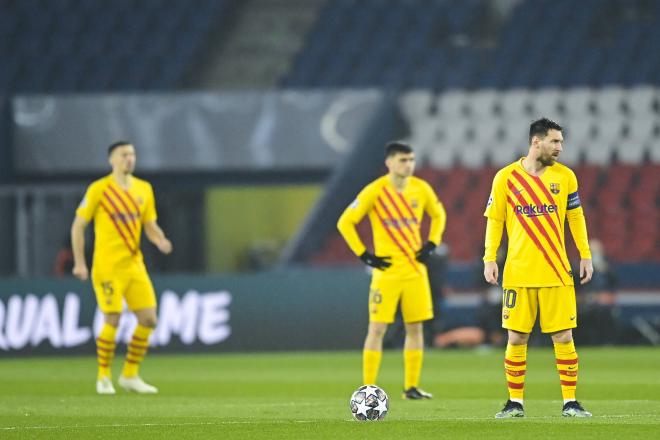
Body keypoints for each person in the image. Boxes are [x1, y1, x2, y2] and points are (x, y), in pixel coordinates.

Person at [483, 118, 593, 418]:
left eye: (561, 142)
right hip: (518, 273)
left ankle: (570, 402)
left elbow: (576, 217)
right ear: (536, 142)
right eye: (555, 141)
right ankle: (515, 402)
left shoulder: (566, 177)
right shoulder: (505, 177)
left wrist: (585, 254)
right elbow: (495, 220)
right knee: (516, 338)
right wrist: (489, 257)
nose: (560, 147)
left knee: (564, 337)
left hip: (557, 272)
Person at [337, 141, 446, 399]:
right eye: (403, 160)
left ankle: (411, 387)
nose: (409, 165)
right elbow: (345, 222)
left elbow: (439, 214)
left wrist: (432, 243)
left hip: (414, 271)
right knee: (376, 329)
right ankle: (368, 389)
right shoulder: (375, 191)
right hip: (386, 273)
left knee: (416, 328)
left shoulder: (421, 189)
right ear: (389, 163)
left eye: (411, 160)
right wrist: (365, 255)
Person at [71, 141, 173, 395]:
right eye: (124, 154)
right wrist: (80, 262)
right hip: (107, 267)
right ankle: (103, 377)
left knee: (149, 319)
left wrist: (159, 239)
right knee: (113, 319)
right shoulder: (99, 189)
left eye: (132, 154)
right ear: (112, 159)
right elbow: (78, 225)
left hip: (134, 265)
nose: (130, 159)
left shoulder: (144, 189)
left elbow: (149, 224)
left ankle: (129, 375)